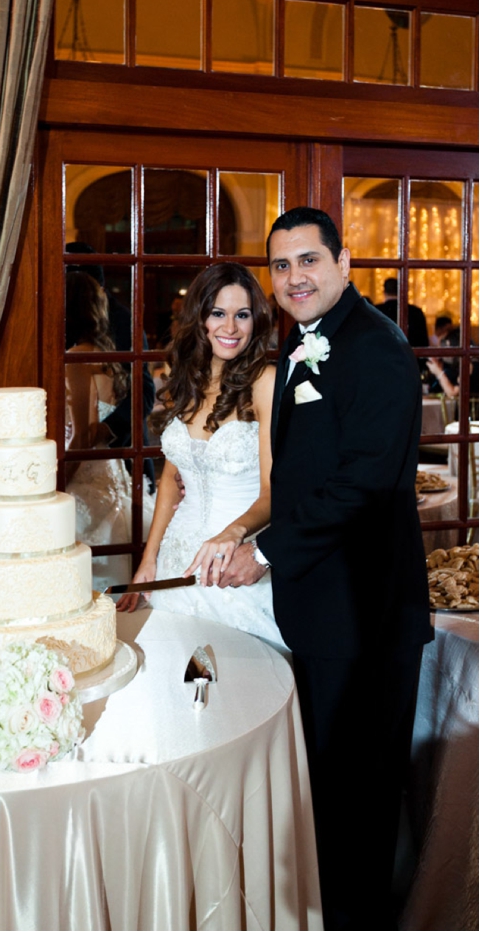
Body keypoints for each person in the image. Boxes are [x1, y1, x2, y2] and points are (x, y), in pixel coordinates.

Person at [218, 208, 432, 930]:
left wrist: (266, 551)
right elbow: (304, 475)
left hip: (365, 612)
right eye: (281, 266)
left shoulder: (375, 349)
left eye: (308, 261)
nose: (294, 278)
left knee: (360, 797)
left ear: (344, 263)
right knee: (330, 790)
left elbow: (364, 485)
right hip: (322, 611)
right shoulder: (307, 342)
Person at [116, 262, 286, 652]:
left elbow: (273, 492)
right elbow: (169, 482)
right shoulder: (186, 380)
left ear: (255, 321)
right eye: (218, 314)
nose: (230, 327)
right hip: (178, 559)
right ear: (201, 320)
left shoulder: (265, 382)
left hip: (234, 562)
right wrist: (148, 561)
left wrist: (232, 533)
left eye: (242, 315)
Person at [65, 271, 154, 592]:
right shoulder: (108, 356)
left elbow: (83, 436)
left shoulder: (77, 359)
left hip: (85, 476)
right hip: (114, 474)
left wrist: (56, 484)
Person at [66, 241, 156, 493]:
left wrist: (104, 431)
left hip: (123, 455)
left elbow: (144, 392)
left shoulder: (123, 320)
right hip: (74, 452)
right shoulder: (54, 315)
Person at [375, 276, 430, 349]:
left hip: (381, 357)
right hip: (409, 358)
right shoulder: (416, 312)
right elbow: (423, 344)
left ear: (384, 292)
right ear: (402, 291)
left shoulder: (375, 311)